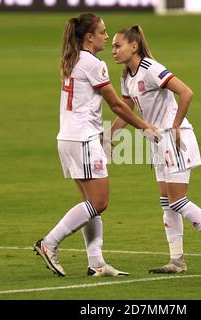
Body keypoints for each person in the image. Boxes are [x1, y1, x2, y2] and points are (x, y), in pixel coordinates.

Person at [33, 13, 159, 277]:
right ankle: (49, 243)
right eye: (102, 32)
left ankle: (97, 262)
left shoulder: (72, 58)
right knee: (99, 202)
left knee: (89, 202)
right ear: (88, 36)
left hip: (67, 138)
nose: (106, 36)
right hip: (83, 139)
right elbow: (115, 104)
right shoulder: (93, 64)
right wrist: (144, 126)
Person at [110, 25, 201, 275]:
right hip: (158, 141)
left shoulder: (150, 68)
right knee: (166, 202)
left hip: (175, 139)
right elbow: (126, 110)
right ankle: (177, 260)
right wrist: (110, 137)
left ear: (133, 46)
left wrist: (176, 124)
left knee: (177, 200)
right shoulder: (126, 76)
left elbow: (186, 92)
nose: (112, 50)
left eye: (117, 45)